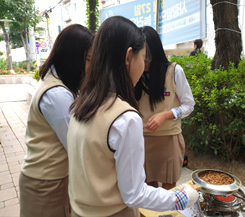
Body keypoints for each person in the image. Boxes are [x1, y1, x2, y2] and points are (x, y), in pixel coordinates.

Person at [67, 16, 200, 217]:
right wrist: (180, 199)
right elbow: (135, 194)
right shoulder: (125, 119)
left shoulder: (81, 103)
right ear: (129, 56)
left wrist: (166, 115)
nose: (145, 64)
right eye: (143, 56)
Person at [19, 24, 94, 217]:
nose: (90, 68)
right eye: (88, 60)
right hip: (46, 184)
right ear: (72, 58)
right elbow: (75, 143)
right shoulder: (57, 94)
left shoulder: (59, 83)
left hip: (51, 179)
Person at [135, 26, 195, 190]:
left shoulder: (174, 71)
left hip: (169, 138)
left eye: (147, 58)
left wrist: (166, 115)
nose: (144, 64)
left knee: (170, 187)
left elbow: (189, 105)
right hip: (141, 138)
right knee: (148, 185)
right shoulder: (133, 74)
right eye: (140, 58)